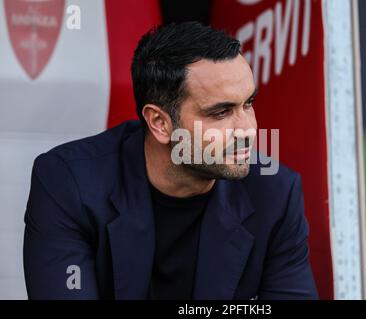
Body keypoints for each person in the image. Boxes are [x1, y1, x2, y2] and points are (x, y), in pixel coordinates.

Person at [23, 21, 318, 300]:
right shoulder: (69, 182)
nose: (247, 129)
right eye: (220, 112)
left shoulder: (275, 192)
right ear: (160, 123)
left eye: (248, 104)